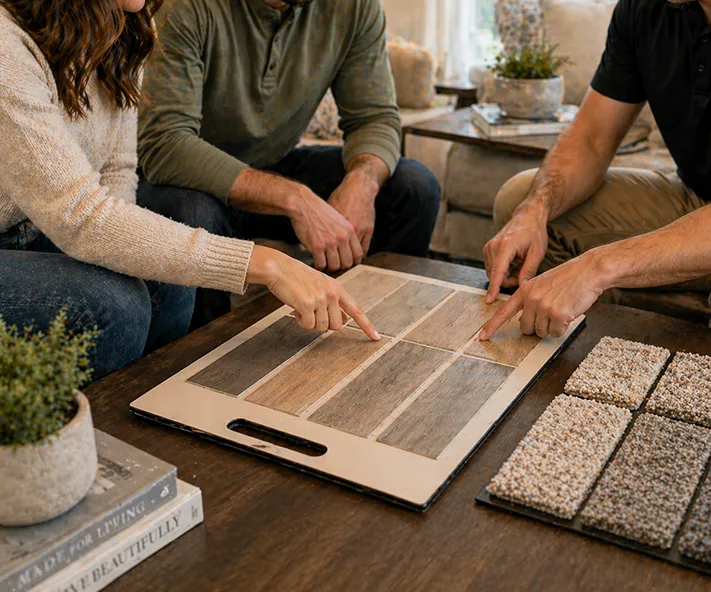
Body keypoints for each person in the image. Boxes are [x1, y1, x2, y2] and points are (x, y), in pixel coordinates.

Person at [0, 0, 379, 381]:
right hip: (21, 236)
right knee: (114, 304)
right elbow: (82, 215)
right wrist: (266, 264)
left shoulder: (119, 35)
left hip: (42, 229)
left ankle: (154, 412)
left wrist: (133, 260)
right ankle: (81, 433)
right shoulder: (7, 46)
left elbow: (116, 177)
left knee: (171, 284)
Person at [480, 0, 711, 348]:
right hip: (702, 198)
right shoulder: (645, 7)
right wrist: (534, 211)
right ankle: (609, 357)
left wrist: (598, 266)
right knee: (522, 200)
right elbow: (591, 138)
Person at [137, 0, 441, 325]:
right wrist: (297, 200)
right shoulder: (185, 7)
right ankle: (201, 358)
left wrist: (362, 183)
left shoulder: (355, 7)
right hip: (183, 182)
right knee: (193, 213)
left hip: (272, 163)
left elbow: (375, 117)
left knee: (413, 187)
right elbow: (167, 143)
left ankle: (378, 328)